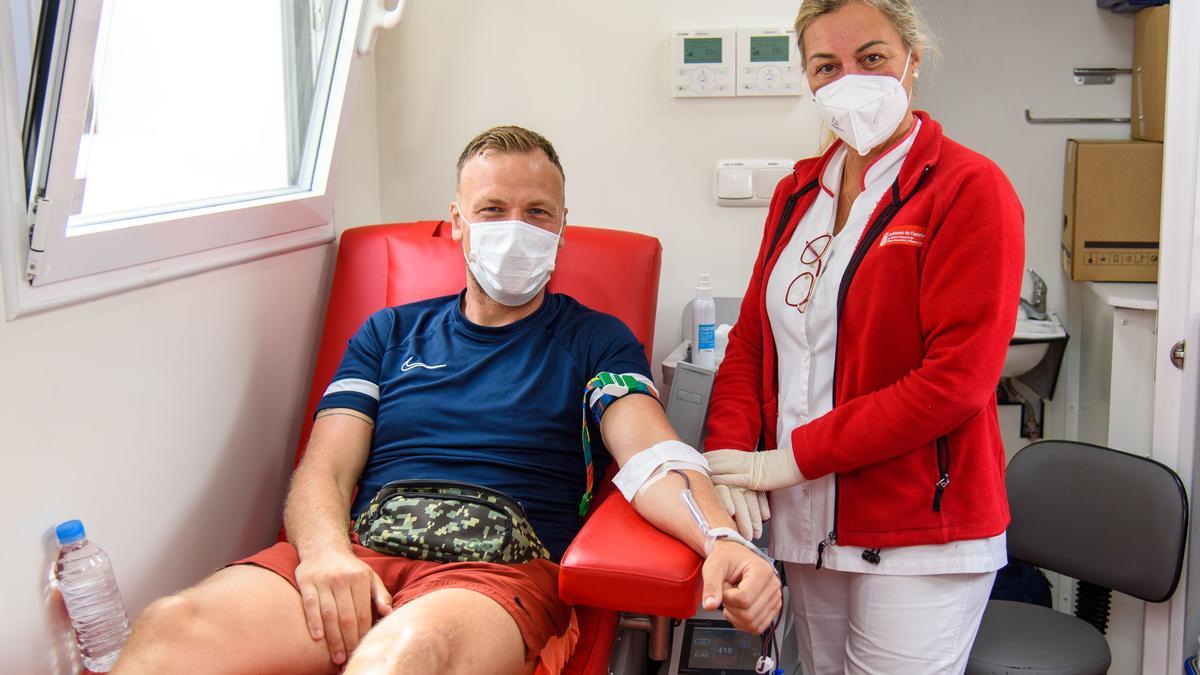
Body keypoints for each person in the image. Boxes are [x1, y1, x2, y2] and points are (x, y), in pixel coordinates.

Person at [112, 126, 781, 675]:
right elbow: (325, 470)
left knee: (403, 657)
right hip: (362, 549)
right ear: (457, 222)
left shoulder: (594, 341)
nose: (515, 228)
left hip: (495, 575)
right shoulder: (387, 332)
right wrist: (324, 554)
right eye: (492, 210)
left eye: (537, 212)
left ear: (562, 228)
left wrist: (721, 537)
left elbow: (652, 455)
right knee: (169, 629)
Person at [701, 1, 1024, 673]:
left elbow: (953, 382)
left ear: (913, 59)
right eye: (827, 65)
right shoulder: (799, 192)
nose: (850, 78)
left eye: (871, 57)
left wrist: (789, 459)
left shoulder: (968, 188)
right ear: (809, 79)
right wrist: (730, 454)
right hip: (808, 527)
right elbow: (755, 340)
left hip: (919, 534)